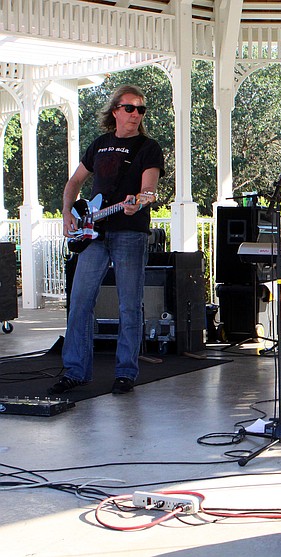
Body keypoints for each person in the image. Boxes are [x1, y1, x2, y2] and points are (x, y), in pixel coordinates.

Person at [49, 84, 165, 396]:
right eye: (130, 108)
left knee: (129, 305)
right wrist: (67, 214)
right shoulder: (100, 144)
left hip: (130, 232)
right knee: (80, 302)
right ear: (115, 111)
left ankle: (126, 373)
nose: (136, 115)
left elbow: (149, 191)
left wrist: (139, 202)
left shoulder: (148, 148)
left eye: (141, 110)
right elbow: (74, 182)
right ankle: (75, 371)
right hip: (93, 233)